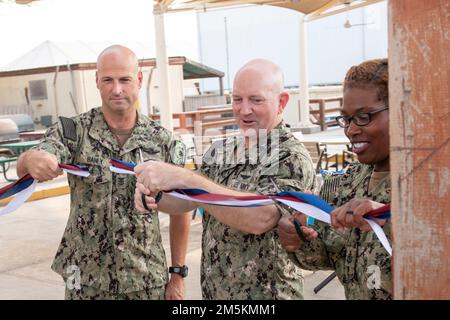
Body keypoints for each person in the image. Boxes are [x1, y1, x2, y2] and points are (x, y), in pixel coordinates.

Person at [16, 45, 191, 300]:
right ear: (97, 81)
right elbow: (35, 158)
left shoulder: (163, 142)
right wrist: (31, 158)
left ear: (139, 80)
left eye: (124, 80)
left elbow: (182, 210)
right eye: (108, 80)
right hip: (84, 282)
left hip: (144, 279)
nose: (116, 89)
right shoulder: (73, 132)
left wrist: (177, 275)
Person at [134, 59, 316, 299]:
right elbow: (188, 201)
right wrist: (156, 195)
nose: (244, 109)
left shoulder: (290, 156)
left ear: (281, 102)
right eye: (237, 99)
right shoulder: (223, 149)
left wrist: (186, 178)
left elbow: (260, 218)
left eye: (256, 100)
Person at [278, 58, 392, 299]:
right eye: (347, 119)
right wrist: (299, 238)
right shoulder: (349, 181)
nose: (351, 130)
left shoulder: (430, 187)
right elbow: (330, 254)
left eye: (364, 117)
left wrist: (390, 220)